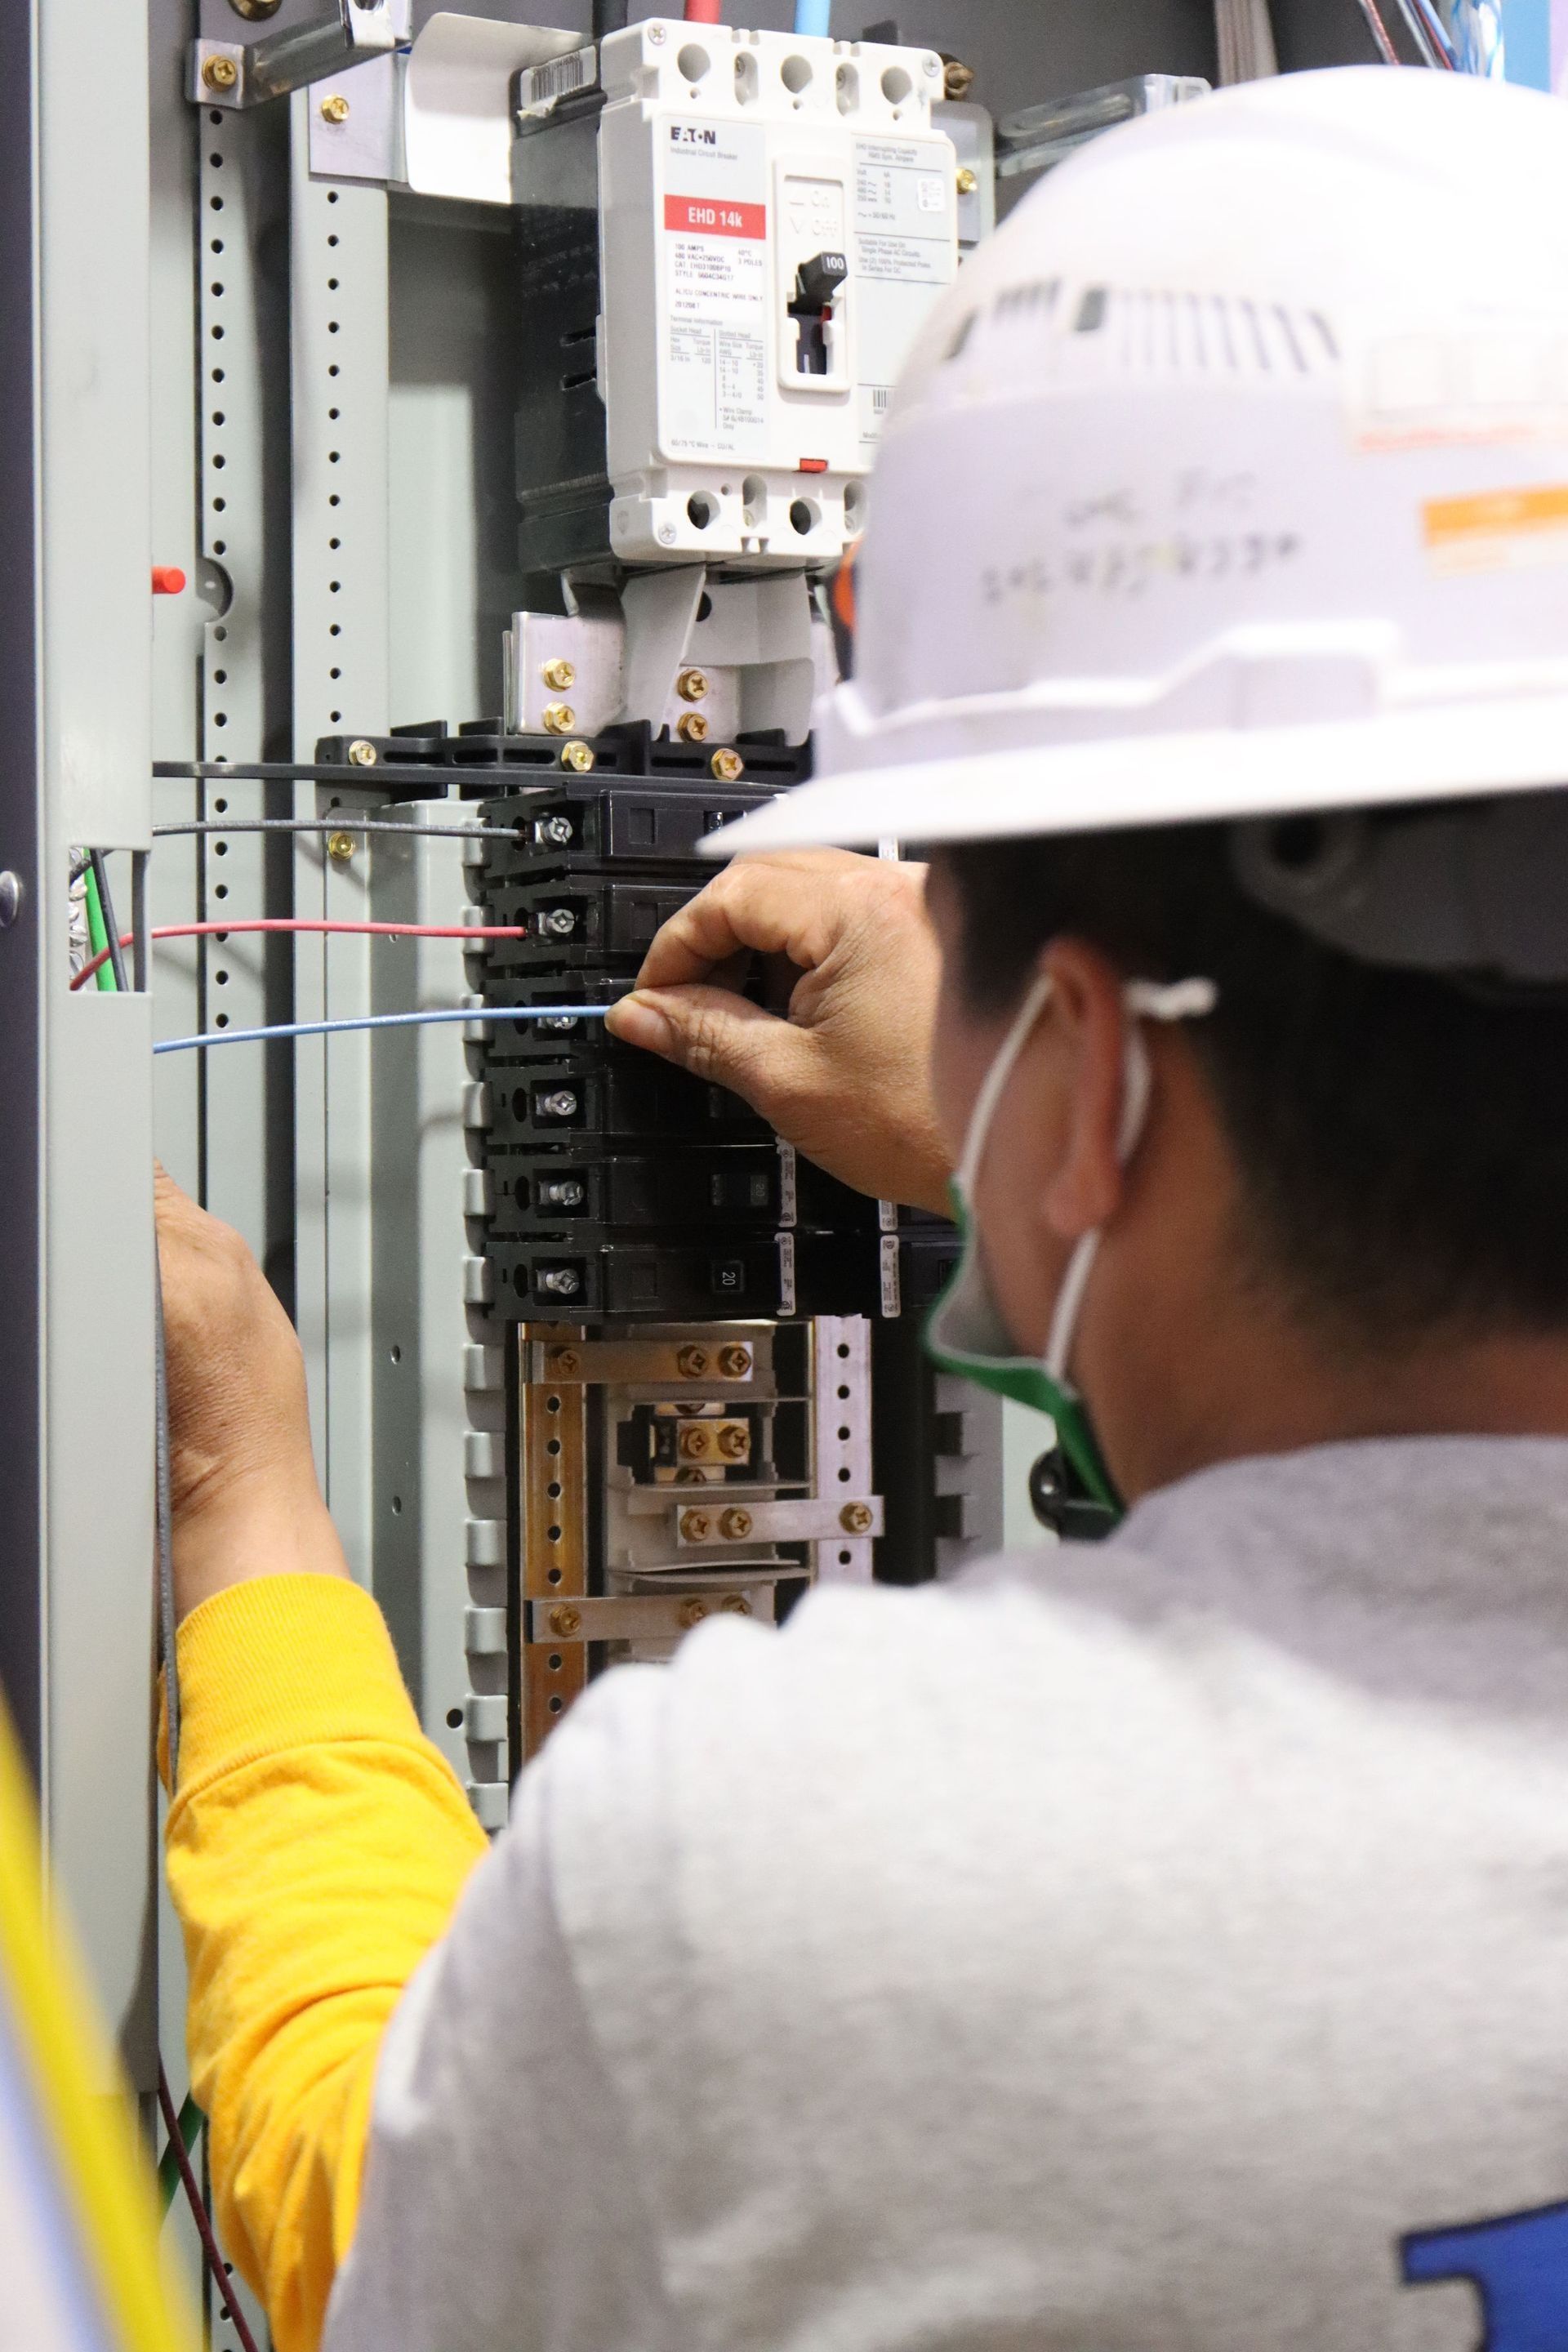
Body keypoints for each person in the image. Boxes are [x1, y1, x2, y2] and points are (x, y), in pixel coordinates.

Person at [158, 65, 1568, 2352]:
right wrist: (1017, 1147)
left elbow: (360, 2213)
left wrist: (250, 1522)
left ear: (1096, 1067)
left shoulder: (787, 1886)